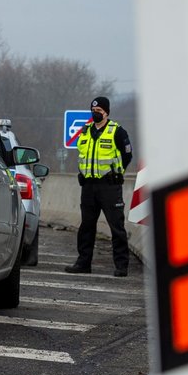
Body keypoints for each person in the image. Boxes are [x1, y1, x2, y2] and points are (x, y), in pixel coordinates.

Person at [65, 96, 133, 277]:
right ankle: (83, 263)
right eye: (93, 111)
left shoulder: (117, 131)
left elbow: (127, 156)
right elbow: (82, 155)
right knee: (86, 226)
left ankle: (121, 265)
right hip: (88, 186)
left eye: (99, 112)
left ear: (106, 113)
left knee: (116, 226)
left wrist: (117, 172)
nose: (95, 114)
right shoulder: (85, 131)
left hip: (109, 186)